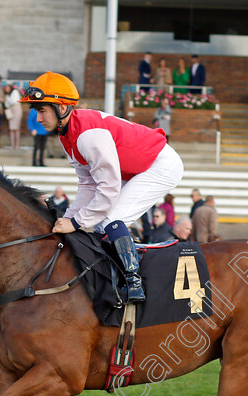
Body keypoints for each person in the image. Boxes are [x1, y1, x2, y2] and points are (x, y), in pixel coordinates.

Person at [21, 72, 184, 303]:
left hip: (161, 164)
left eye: (42, 110)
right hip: (137, 167)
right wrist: (68, 218)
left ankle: (133, 281)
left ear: (62, 108)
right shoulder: (67, 135)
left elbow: (107, 188)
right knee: (98, 222)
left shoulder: (87, 136)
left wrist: (76, 223)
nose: (38, 118)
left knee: (110, 220)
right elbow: (88, 185)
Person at [4, 84, 22, 151]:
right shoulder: (6, 95)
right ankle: (12, 145)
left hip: (17, 110)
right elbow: (6, 104)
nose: (7, 89)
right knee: (11, 129)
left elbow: (15, 101)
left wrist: (8, 100)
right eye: (6, 88)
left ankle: (17, 145)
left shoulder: (15, 92)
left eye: (8, 88)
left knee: (17, 128)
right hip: (11, 111)